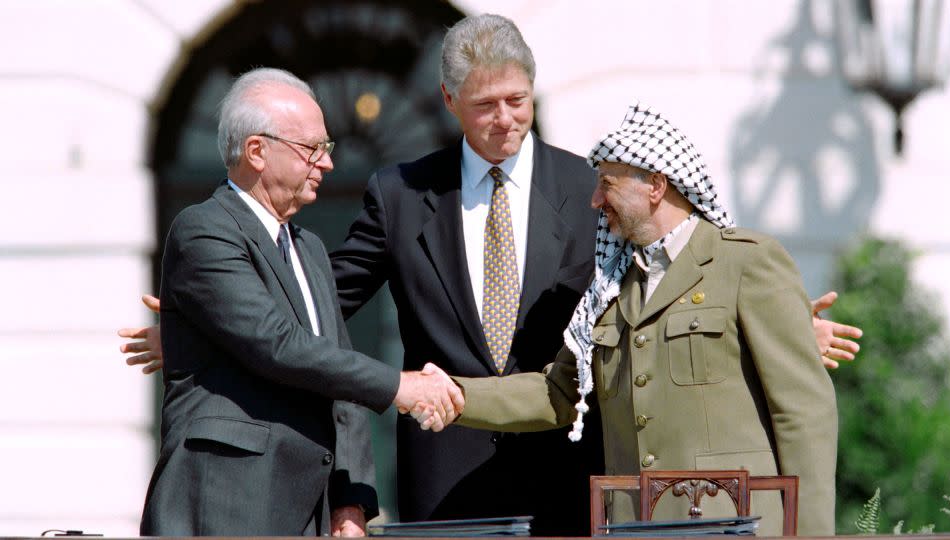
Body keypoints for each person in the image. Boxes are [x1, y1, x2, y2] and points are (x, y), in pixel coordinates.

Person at [120, 14, 861, 536]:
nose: (506, 119)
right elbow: (320, 306)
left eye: (518, 101)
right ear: (449, 104)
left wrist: (780, 328)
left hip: (581, 476)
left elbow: (660, 294)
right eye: (485, 106)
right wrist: (205, 326)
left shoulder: (593, 187)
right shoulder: (401, 192)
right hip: (448, 480)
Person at [422, 103, 839, 536]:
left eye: (606, 184)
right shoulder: (609, 287)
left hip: (733, 525)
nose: (595, 200)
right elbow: (558, 391)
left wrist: (809, 533)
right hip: (632, 527)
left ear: (656, 186)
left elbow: (804, 412)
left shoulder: (745, 263)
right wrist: (454, 394)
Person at [138, 67, 462, 537]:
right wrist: (400, 386)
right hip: (225, 505)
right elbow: (277, 344)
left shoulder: (307, 246)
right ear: (257, 152)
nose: (328, 163)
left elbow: (337, 366)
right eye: (313, 149)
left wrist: (353, 500)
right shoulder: (203, 229)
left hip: (307, 512)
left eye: (326, 148)